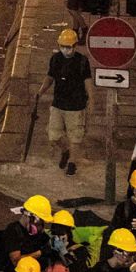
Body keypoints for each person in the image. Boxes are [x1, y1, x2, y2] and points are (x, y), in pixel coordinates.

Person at [37, 28, 92, 176]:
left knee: (75, 137)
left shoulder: (82, 61)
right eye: (63, 46)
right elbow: (50, 77)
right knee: (53, 135)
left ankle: (72, 163)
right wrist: (40, 91)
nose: (66, 50)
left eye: (69, 47)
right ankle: (65, 151)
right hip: (58, 104)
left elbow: (88, 82)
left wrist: (92, 100)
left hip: (76, 106)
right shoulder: (56, 59)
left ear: (75, 46)